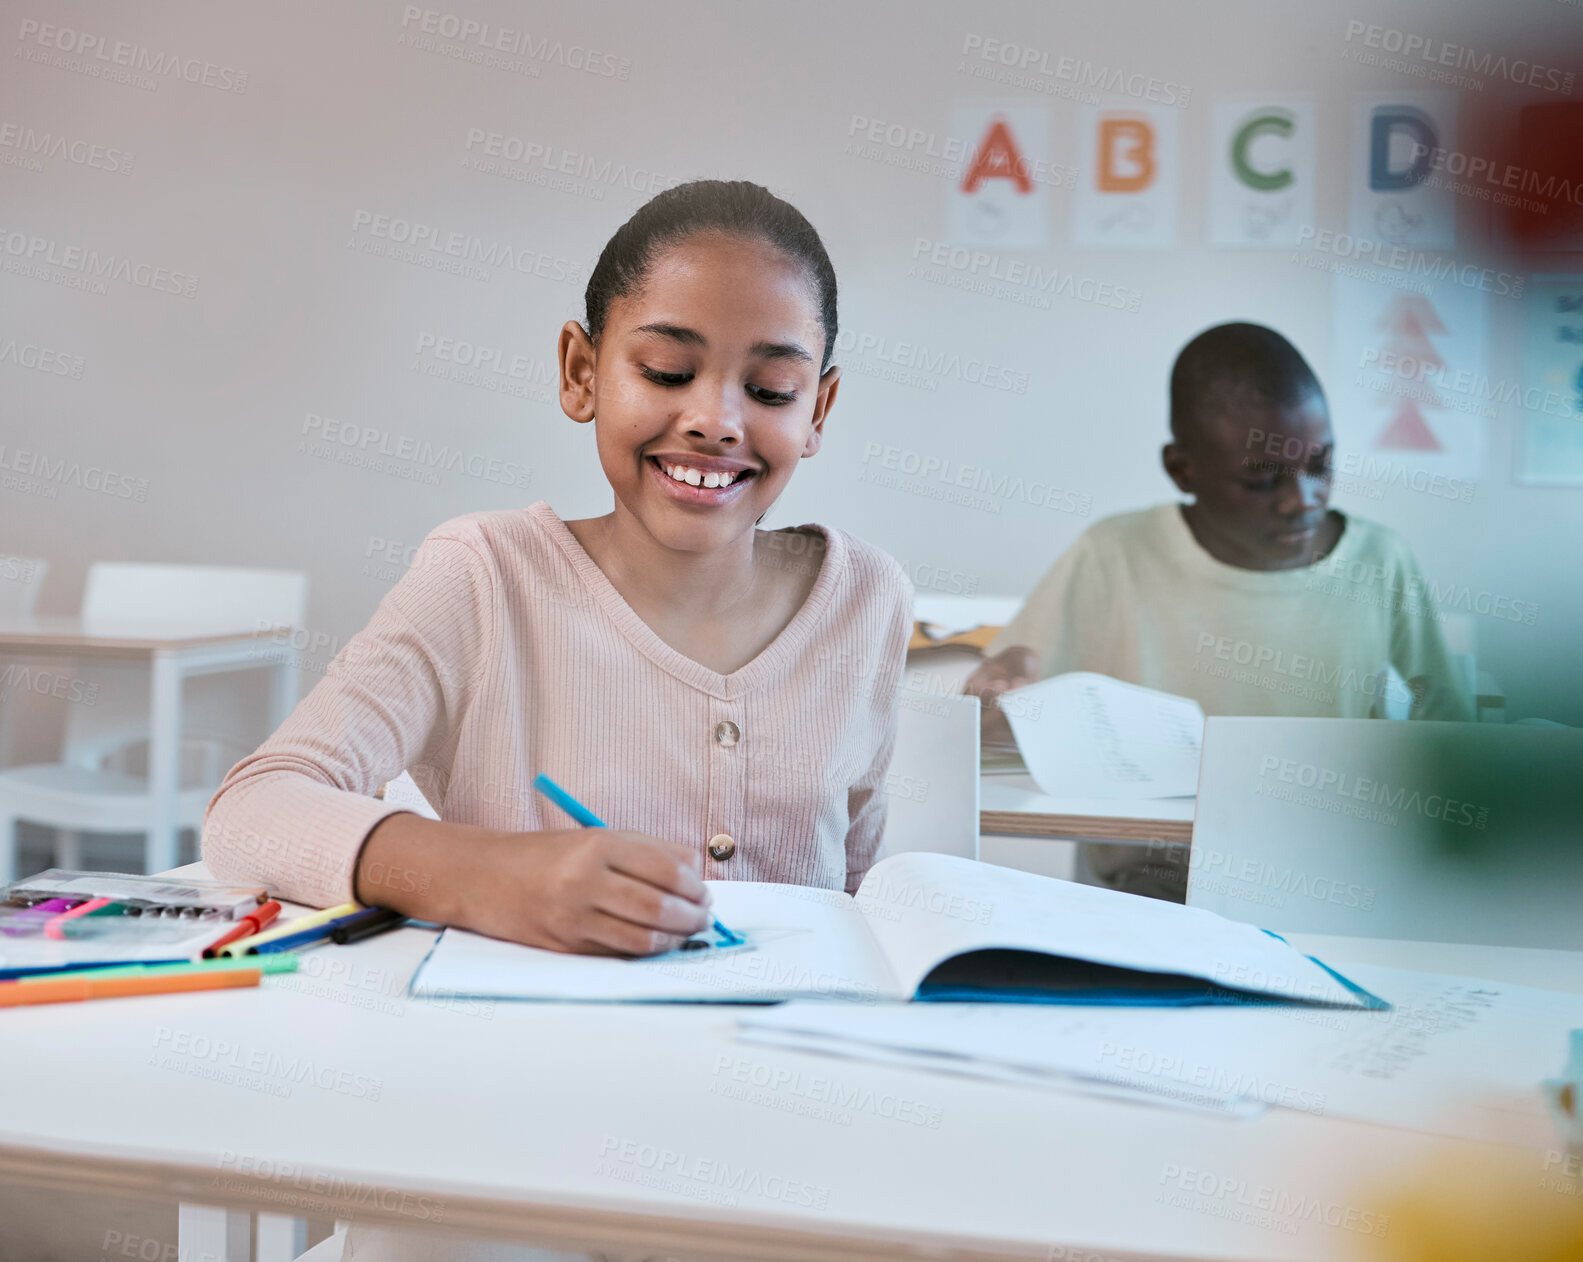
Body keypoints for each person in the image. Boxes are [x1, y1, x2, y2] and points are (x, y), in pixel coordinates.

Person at [204, 180, 911, 957]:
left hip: (786, 1063)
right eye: (668, 371)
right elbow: (252, 811)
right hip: (523, 1061)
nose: (715, 420)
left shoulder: (868, 599)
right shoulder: (483, 578)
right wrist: (491, 875)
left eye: (771, 389)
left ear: (817, 410)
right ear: (581, 371)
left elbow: (858, 893)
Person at [965, 322, 1473, 898]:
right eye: (1261, 480)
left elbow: (1451, 731)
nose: (1301, 500)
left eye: (1321, 465)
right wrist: (998, 695)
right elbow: (1013, 681)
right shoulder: (1114, 552)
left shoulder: (1380, 561)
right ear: (1183, 469)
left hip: (1322, 872)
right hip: (1149, 876)